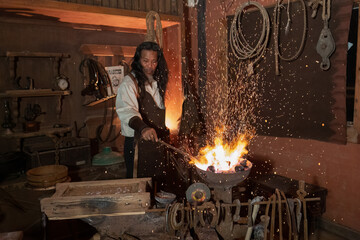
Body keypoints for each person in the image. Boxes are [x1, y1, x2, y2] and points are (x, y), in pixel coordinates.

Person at [116, 41, 171, 189]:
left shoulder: (156, 82)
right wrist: (143, 128)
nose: (149, 66)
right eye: (145, 61)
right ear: (138, 60)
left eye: (153, 62)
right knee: (139, 187)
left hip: (155, 144)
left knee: (157, 186)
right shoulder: (129, 83)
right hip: (137, 145)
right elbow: (127, 111)